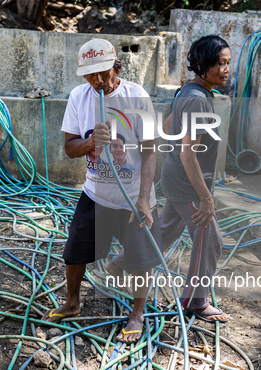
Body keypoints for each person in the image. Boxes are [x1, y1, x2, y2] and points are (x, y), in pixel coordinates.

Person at [42, 38, 163, 343]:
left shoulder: (137, 96)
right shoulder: (78, 97)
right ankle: (72, 302)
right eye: (90, 75)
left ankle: (137, 313)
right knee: (74, 252)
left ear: (116, 66)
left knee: (140, 258)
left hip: (133, 196)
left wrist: (144, 199)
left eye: (103, 72)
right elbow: (70, 148)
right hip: (96, 193)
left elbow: (150, 150)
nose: (97, 81)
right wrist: (92, 142)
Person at [107, 35, 230, 323]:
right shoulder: (197, 101)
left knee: (164, 231)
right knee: (209, 239)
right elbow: (189, 155)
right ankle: (195, 302)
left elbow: (167, 126)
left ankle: (118, 263)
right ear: (201, 64)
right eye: (219, 63)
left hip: (176, 177)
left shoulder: (187, 92)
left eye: (227, 63)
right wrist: (206, 198)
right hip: (188, 183)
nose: (226, 69)